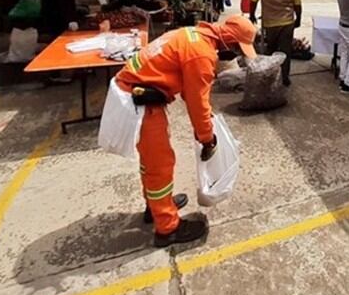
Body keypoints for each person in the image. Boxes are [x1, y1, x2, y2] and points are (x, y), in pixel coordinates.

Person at [109, 16, 257, 247]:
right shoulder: (201, 54)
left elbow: (191, 94)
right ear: (228, 41)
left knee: (151, 160)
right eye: (238, 49)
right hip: (140, 100)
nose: (236, 55)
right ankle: (167, 228)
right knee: (160, 164)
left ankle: (156, 207)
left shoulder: (193, 35)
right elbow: (197, 103)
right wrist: (207, 139)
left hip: (137, 92)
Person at [248, 0, 302, 87]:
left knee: (270, 50)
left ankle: (269, 75)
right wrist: (298, 19)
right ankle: (284, 78)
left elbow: (253, 0)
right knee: (285, 52)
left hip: (270, 23)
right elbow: (297, 5)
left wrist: (252, 15)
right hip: (287, 23)